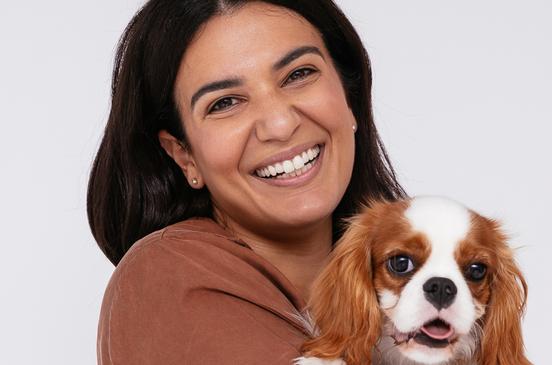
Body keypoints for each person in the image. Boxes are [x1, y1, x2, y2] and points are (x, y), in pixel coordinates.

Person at [87, 0, 406, 363]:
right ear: (183, 154)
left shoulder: (413, 285)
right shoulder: (169, 275)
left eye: (298, 75)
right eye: (224, 103)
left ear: (348, 96)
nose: (279, 124)